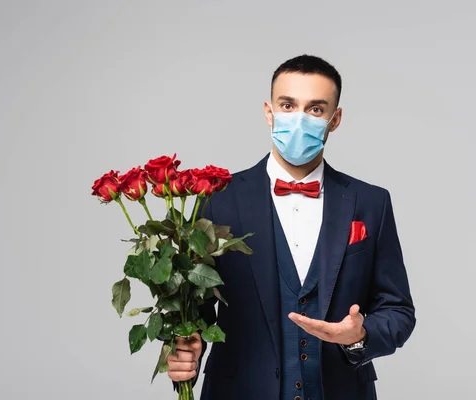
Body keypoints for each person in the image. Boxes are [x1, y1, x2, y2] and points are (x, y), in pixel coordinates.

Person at [167, 54, 416, 400]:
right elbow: (195, 310)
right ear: (269, 112)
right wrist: (182, 353)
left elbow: (399, 310)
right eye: (288, 105)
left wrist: (359, 335)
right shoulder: (217, 199)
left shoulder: (370, 202)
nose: (299, 119)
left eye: (315, 109)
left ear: (335, 119)